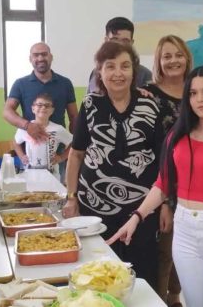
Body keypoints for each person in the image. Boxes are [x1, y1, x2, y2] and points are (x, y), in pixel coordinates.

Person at [108, 65, 203, 307]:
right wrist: (136, 216)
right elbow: (163, 184)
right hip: (185, 233)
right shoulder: (176, 137)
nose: (200, 99)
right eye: (193, 93)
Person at [64, 41, 164, 288]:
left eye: (125, 66)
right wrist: (71, 197)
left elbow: (163, 161)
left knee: (142, 278)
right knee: (98, 276)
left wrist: (165, 205)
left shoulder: (150, 105)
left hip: (142, 210)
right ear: (100, 71)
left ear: (134, 71)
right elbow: (76, 155)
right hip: (94, 208)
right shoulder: (90, 105)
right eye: (110, 66)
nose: (118, 73)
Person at [142, 35, 193, 307]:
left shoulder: (196, 91)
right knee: (164, 250)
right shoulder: (147, 94)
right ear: (158, 61)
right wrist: (164, 200)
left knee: (184, 250)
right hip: (159, 179)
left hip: (194, 182)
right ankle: (160, 300)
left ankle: (175, 296)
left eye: (178, 55)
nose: (173, 61)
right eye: (167, 56)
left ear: (187, 58)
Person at [3, 42, 78, 183]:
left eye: (44, 54)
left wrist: (74, 148)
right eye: (36, 55)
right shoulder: (20, 84)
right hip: (30, 154)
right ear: (30, 59)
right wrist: (27, 126)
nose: (40, 58)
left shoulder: (65, 83)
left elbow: (74, 116)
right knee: (31, 190)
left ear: (51, 57)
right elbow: (7, 111)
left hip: (58, 153)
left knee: (57, 189)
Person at [87, 17, 152, 94]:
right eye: (114, 40)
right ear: (106, 41)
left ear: (131, 43)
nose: (120, 45)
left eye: (125, 41)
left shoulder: (145, 75)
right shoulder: (95, 73)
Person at [14, 93, 73, 174]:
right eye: (39, 105)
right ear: (33, 109)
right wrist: (21, 156)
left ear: (52, 111)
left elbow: (74, 143)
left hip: (52, 175)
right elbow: (15, 142)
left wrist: (61, 158)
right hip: (30, 173)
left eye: (47, 105)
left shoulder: (58, 129)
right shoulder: (26, 128)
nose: (43, 107)